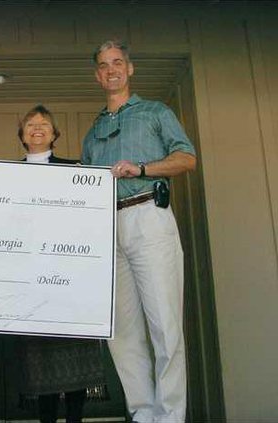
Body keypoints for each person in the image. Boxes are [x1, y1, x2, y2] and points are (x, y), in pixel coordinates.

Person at [82, 40, 197, 422]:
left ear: (129, 68)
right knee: (122, 331)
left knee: (165, 324)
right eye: (104, 65)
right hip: (108, 228)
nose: (111, 70)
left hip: (149, 215)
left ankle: (171, 416)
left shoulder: (155, 112)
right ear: (97, 75)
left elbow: (187, 158)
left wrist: (143, 168)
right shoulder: (93, 132)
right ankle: (143, 413)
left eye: (117, 62)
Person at [18, 105, 106, 423]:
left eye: (44, 123)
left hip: (71, 278)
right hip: (31, 281)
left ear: (54, 134)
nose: (37, 127)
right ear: (22, 135)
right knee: (41, 364)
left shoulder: (76, 171)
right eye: (31, 124)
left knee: (75, 360)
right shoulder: (6, 176)